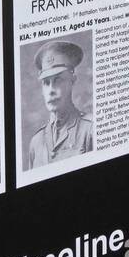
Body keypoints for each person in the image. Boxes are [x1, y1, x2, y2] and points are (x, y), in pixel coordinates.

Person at [27, 40, 93, 169]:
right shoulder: (36, 142)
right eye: (46, 83)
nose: (51, 90)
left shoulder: (89, 130)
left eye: (58, 80)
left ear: (72, 81)